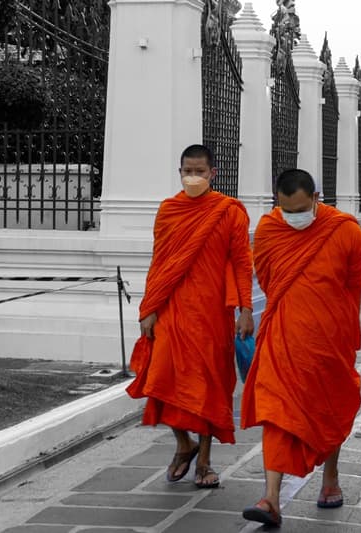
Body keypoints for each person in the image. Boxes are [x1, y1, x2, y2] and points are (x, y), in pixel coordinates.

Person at [241, 169, 361, 528]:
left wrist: (344, 331)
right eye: (286, 209)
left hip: (330, 339)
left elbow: (353, 288)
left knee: (329, 409)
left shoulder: (345, 231)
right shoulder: (269, 229)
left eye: (300, 208)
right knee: (276, 410)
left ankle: (330, 478)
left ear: (316, 198)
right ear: (276, 204)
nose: (294, 216)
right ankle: (270, 497)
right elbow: (270, 279)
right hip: (284, 336)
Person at [126, 144, 255, 489]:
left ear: (213, 174)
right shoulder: (169, 211)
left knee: (210, 385)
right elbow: (160, 262)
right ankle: (184, 444)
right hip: (172, 309)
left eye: (199, 171)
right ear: (179, 172)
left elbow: (242, 262)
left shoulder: (229, 212)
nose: (193, 177)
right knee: (162, 378)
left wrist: (246, 309)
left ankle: (206, 462)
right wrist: (148, 308)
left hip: (213, 312)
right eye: (187, 171)